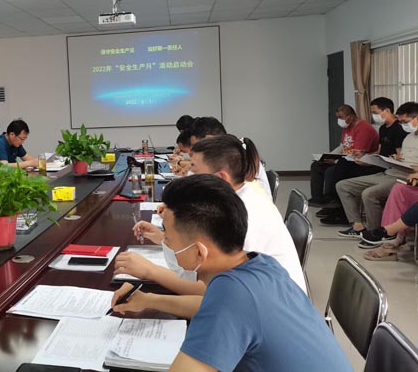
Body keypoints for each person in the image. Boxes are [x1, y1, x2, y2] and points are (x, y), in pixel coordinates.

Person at [111, 175, 352, 372]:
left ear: (199, 252)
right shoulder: (261, 264)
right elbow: (212, 309)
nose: (166, 243)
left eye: (169, 238)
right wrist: (149, 300)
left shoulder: (232, 295)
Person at [115, 135, 306, 294]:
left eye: (194, 170)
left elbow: (209, 294)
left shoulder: (245, 216)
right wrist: (166, 239)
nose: (188, 175)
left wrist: (150, 271)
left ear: (221, 177)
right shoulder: (238, 195)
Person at [334, 101, 418, 237]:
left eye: (405, 122)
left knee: (369, 194)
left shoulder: (396, 132)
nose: (403, 126)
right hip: (389, 171)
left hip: (404, 176)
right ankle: (358, 226)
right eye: (401, 122)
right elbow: (402, 156)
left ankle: (375, 233)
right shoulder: (408, 137)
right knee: (343, 186)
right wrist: (396, 159)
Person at [320, 97, 406, 227]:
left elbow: (400, 157)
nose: (373, 116)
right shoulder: (383, 128)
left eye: (375, 112)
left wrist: (374, 159)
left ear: (387, 110)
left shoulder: (400, 129)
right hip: (380, 164)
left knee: (344, 170)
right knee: (340, 176)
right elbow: (380, 151)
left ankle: (341, 211)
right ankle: (351, 220)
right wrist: (365, 156)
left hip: (389, 169)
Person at [309, 104, 379, 212]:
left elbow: (357, 154)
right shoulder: (347, 127)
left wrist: (335, 161)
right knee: (317, 165)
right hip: (344, 160)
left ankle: (332, 201)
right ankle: (318, 199)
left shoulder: (364, 129)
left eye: (341, 117)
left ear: (350, 116)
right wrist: (328, 156)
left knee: (331, 171)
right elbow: (343, 146)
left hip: (358, 162)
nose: (339, 120)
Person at [189, 116, 271, 199]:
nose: (191, 151)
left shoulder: (235, 158)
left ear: (210, 139)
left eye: (196, 145)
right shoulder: (232, 152)